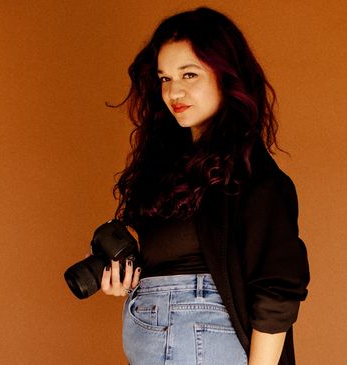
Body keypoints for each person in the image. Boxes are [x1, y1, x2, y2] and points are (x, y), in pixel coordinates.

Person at [101, 7, 309, 365]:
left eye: (189, 74)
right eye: (165, 78)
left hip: (198, 342)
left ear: (226, 77)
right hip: (160, 340)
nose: (173, 91)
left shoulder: (255, 177)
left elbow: (277, 291)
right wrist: (126, 271)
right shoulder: (171, 167)